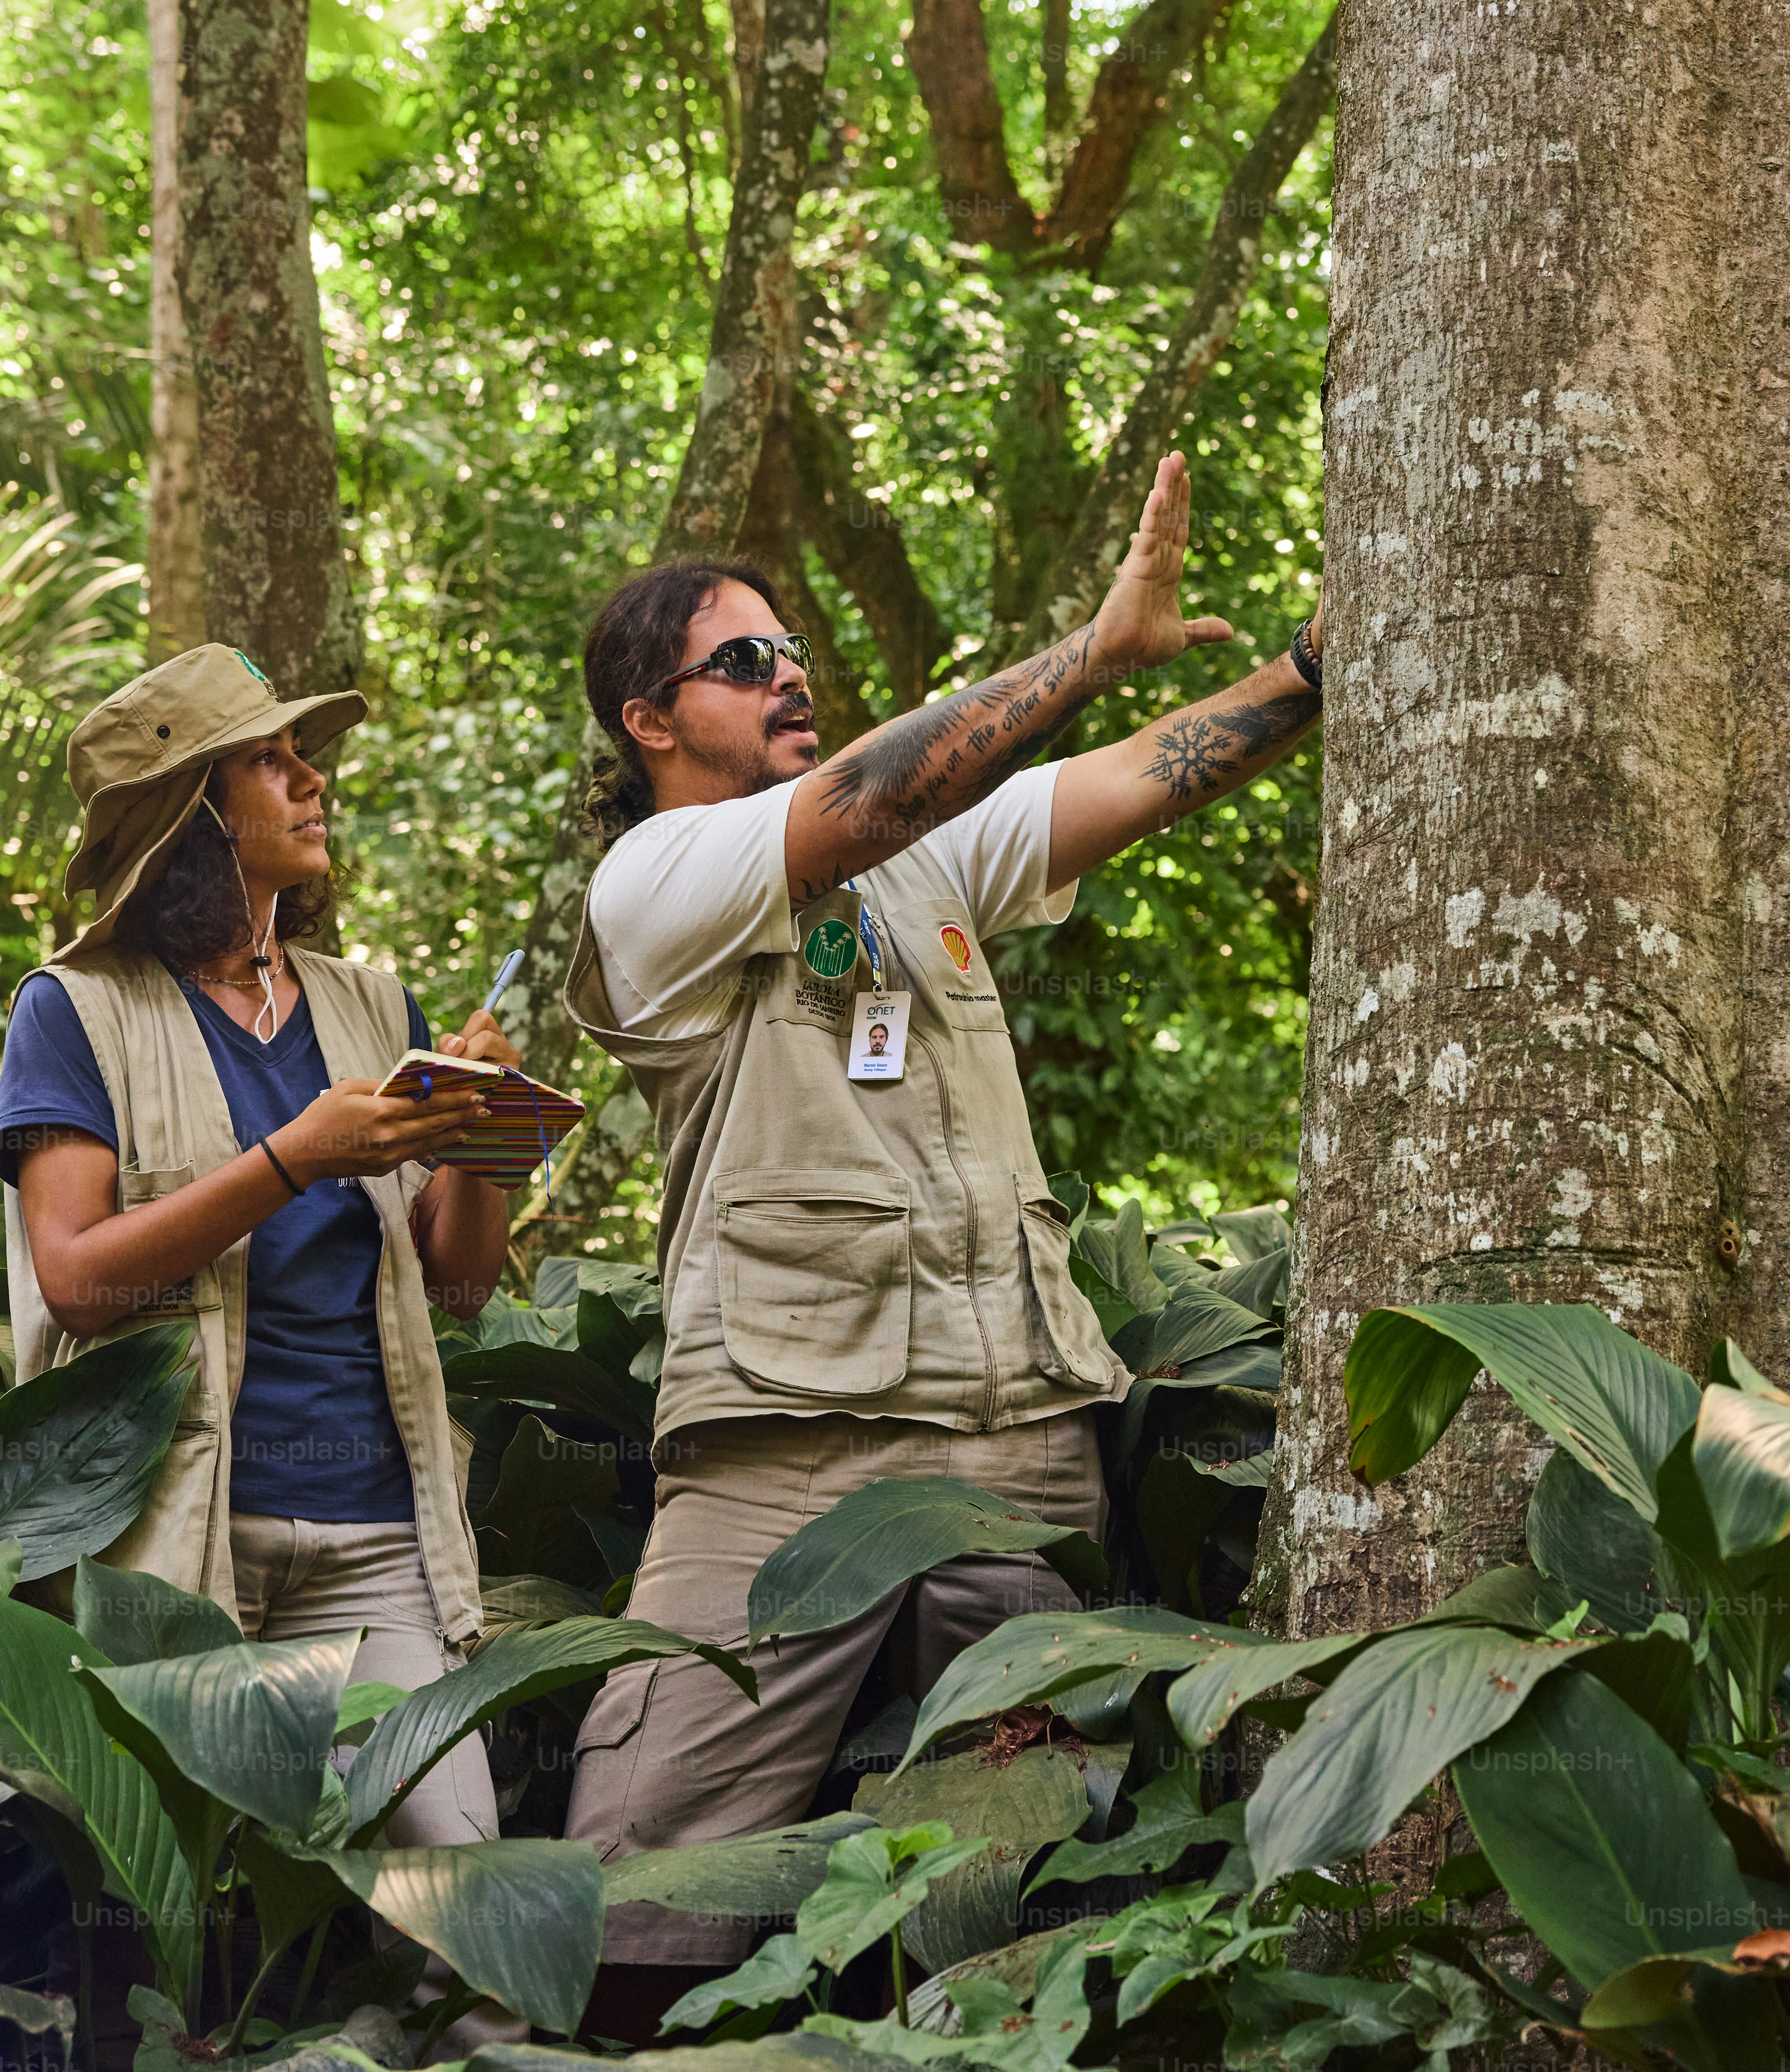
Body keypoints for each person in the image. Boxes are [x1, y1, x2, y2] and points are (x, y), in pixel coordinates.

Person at [557, 452, 1323, 2009]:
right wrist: (1089, 651)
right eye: (744, 662)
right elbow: (857, 801)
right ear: (650, 722)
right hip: (785, 1442)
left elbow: (1141, 772)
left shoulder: (926, 859)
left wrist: (1306, 672)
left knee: (1023, 1898)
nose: (791, 679)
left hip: (1017, 1437)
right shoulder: (656, 878)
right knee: (637, 1894)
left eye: (796, 656)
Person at [0, 645, 526, 2056]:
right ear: (196, 815)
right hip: (177, 1556)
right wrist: (295, 1156)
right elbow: (75, 1278)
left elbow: (457, 1285)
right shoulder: (77, 1010)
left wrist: (489, 1143)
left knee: (467, 1921)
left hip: (378, 1543)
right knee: (172, 1941)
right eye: (273, 763)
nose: (314, 779)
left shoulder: (366, 1005)